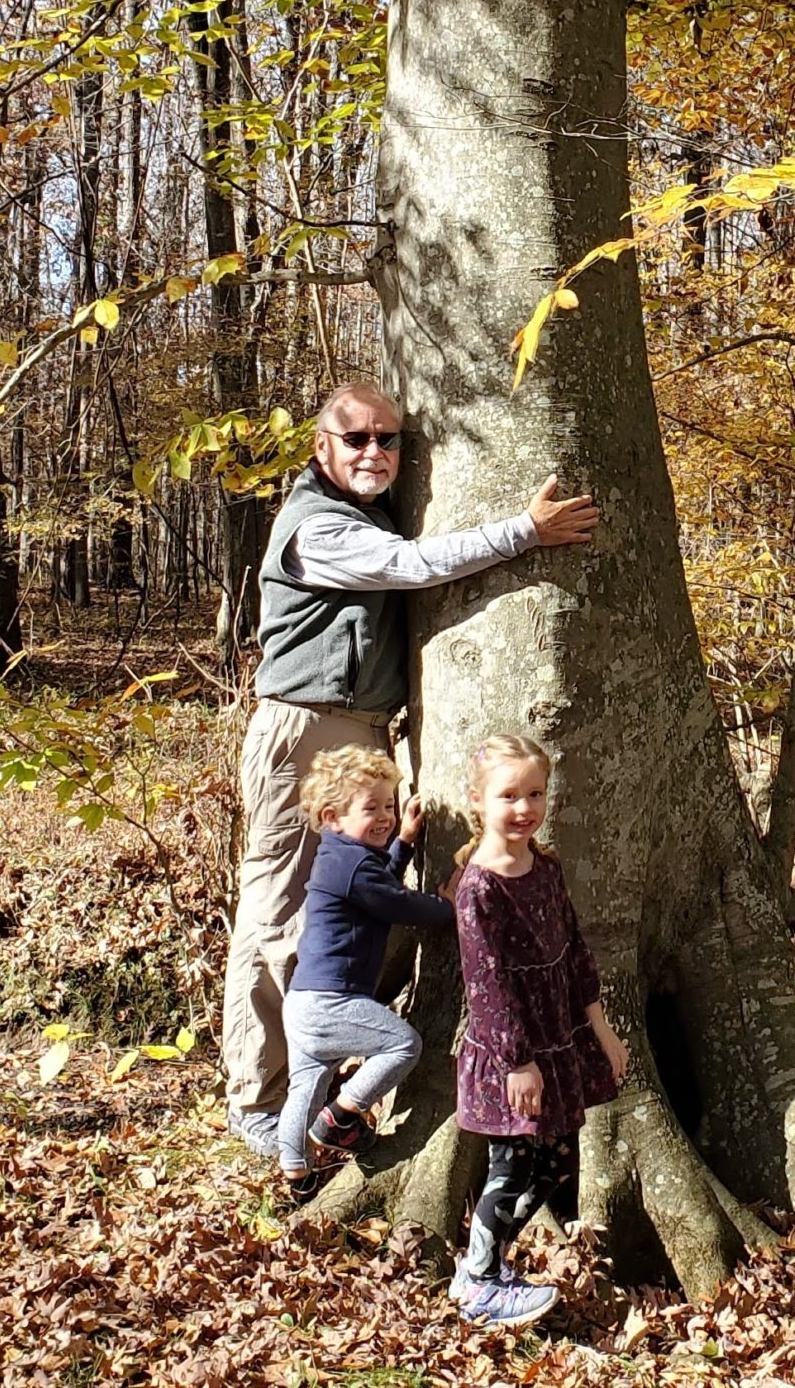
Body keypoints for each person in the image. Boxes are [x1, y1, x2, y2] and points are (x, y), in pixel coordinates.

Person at [222, 381, 598, 1156]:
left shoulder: (370, 507)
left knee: (350, 912)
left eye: (387, 439)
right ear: (320, 446)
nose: (373, 452)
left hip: (362, 735)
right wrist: (525, 531)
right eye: (354, 437)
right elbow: (412, 565)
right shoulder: (318, 527)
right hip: (303, 733)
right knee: (277, 920)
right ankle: (262, 1108)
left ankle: (324, 1099)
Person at [449, 733, 629, 1330]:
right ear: (479, 802)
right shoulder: (478, 889)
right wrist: (517, 1063)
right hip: (512, 1054)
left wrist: (600, 1028)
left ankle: (486, 1260)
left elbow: (574, 950)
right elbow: (488, 988)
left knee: (553, 1164)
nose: (524, 808)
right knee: (512, 1165)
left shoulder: (544, 867)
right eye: (508, 796)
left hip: (558, 1042)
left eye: (535, 793)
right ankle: (480, 1281)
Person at [277, 745, 455, 1202]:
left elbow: (379, 884)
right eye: (370, 808)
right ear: (333, 816)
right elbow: (397, 902)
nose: (385, 817)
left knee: (305, 1084)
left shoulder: (341, 856)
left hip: (302, 1004)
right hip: (331, 1001)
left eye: (389, 806)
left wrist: (406, 842)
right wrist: (447, 907)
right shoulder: (352, 864)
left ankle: (296, 1173)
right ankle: (341, 1117)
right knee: (402, 1044)